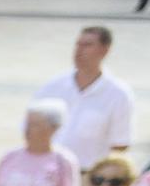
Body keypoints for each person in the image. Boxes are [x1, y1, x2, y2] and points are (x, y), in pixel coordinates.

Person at [36, 26, 134, 171]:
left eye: (87, 45)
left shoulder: (118, 95)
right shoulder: (53, 86)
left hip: (87, 176)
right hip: (48, 171)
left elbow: (120, 145)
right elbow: (30, 127)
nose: (79, 51)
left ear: (104, 50)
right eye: (78, 44)